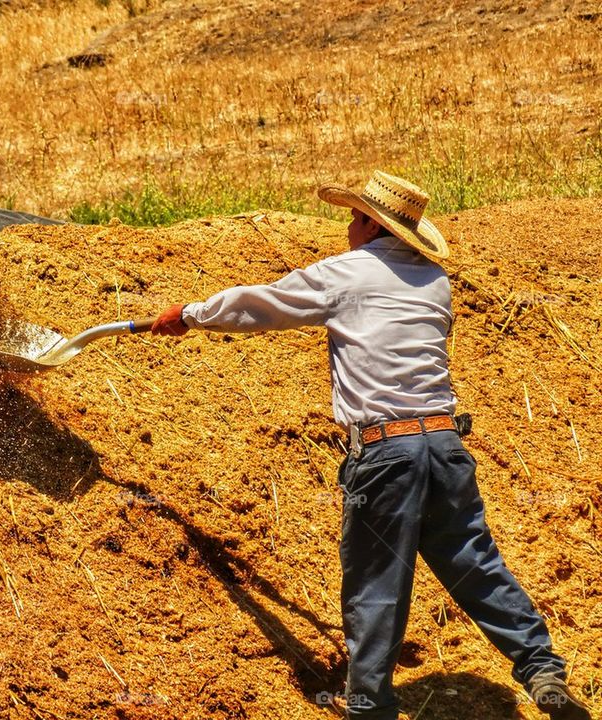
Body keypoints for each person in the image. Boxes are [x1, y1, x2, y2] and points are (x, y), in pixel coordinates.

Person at [151, 171, 591, 720]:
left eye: (353, 216)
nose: (347, 225)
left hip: (388, 456)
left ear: (368, 221)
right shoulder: (435, 281)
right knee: (473, 561)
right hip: (446, 446)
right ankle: (542, 670)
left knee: (376, 580)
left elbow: (263, 304)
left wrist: (189, 315)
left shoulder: (349, 273)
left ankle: (369, 706)